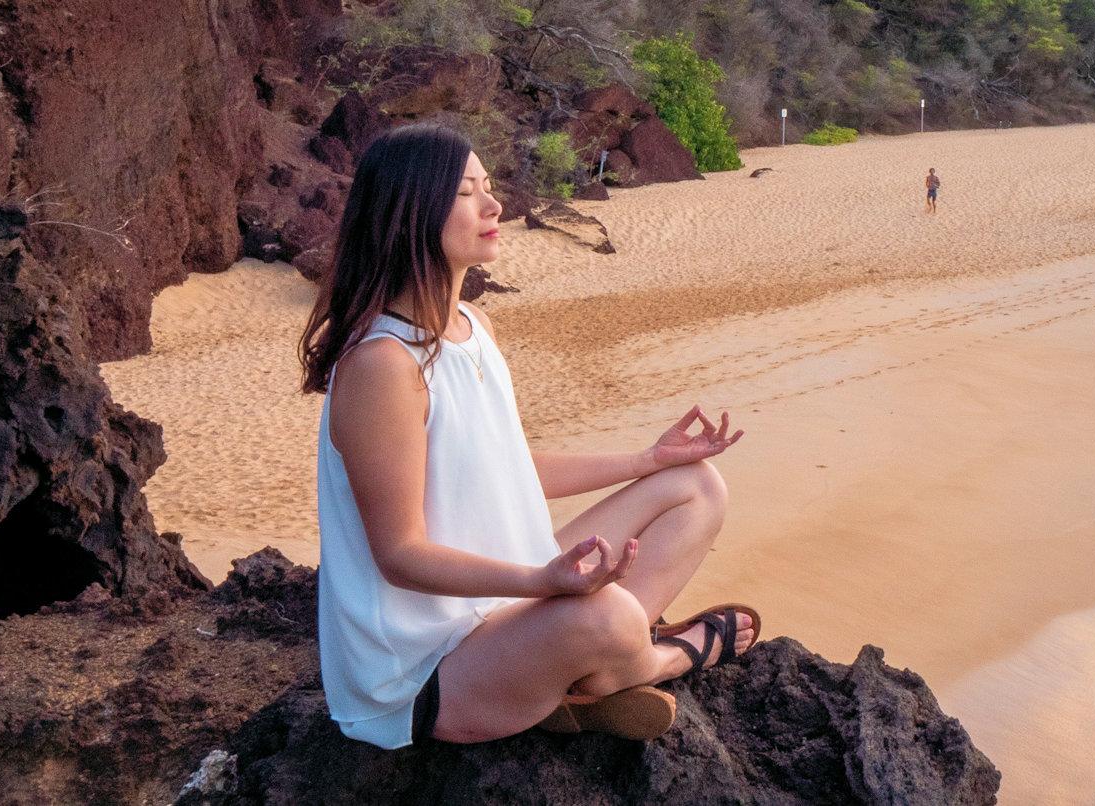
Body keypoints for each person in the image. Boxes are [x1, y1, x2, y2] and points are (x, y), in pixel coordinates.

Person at [296, 124, 760, 749]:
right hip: (422, 676)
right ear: (411, 211)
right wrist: (546, 584)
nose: (495, 207)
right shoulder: (383, 365)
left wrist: (649, 459)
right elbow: (399, 555)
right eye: (466, 192)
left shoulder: (471, 324)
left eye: (488, 188)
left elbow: (507, 468)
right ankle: (659, 661)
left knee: (694, 486)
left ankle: (580, 670)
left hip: (499, 608)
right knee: (614, 614)